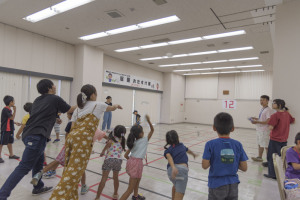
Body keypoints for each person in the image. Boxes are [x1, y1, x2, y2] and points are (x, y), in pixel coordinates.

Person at [0, 79, 76, 199]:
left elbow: (39, 114)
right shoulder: (54, 98)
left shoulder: (38, 100)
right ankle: (2, 195)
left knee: (39, 162)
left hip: (29, 135)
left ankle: (38, 187)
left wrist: (55, 119)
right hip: (37, 136)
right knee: (24, 167)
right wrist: (86, 104)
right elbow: (70, 109)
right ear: (50, 88)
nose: (55, 86)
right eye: (54, 84)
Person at [50, 84, 122, 200]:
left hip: (71, 139)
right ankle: (57, 197)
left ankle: (71, 196)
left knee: (69, 169)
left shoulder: (78, 109)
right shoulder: (98, 105)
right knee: (74, 173)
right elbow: (112, 108)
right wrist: (117, 105)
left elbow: (72, 126)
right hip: (82, 141)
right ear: (93, 95)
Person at [202, 112, 248, 200]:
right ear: (232, 128)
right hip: (233, 185)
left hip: (216, 184)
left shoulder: (210, 144)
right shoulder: (237, 144)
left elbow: (204, 165)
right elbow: (244, 167)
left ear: (214, 128)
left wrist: (216, 160)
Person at [119, 115, 154, 200]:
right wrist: (149, 121)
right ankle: (132, 195)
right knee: (129, 189)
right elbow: (152, 130)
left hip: (132, 162)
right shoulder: (145, 140)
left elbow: (125, 155)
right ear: (140, 133)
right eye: (142, 131)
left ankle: (135, 196)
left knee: (137, 181)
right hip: (137, 163)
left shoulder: (133, 142)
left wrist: (132, 161)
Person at [264, 99, 295, 179]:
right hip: (284, 139)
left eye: (274, 103)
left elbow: (271, 127)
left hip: (275, 139)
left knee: (271, 157)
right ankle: (281, 173)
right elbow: (292, 121)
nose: (272, 104)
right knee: (281, 157)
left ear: (279, 105)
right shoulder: (287, 114)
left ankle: (272, 174)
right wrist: (288, 111)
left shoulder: (275, 115)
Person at [95, 125, 126, 200]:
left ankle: (97, 197)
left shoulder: (111, 139)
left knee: (104, 178)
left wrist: (102, 152)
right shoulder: (123, 140)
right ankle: (115, 193)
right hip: (118, 160)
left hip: (109, 159)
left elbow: (108, 144)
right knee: (116, 178)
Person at [164, 130, 197, 200]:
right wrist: (194, 154)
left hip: (171, 172)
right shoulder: (181, 145)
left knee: (175, 185)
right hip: (180, 171)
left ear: (167, 141)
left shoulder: (169, 149)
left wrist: (173, 167)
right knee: (179, 194)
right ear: (178, 137)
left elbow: (168, 156)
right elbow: (188, 150)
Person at [250, 95, 273, 167]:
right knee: (260, 143)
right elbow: (262, 119)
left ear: (267, 101)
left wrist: (257, 122)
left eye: (263, 100)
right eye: (260, 100)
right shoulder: (262, 108)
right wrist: (256, 118)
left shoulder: (268, 110)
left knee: (266, 145)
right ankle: (259, 157)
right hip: (259, 129)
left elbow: (268, 121)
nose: (261, 101)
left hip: (264, 130)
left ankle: (269, 161)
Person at [0, 95, 21, 163]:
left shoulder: (9, 110)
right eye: (13, 101)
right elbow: (11, 118)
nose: (14, 102)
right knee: (1, 143)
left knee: (9, 142)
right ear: (10, 102)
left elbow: (9, 120)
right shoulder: (6, 109)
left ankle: (11, 155)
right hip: (5, 129)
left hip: (10, 129)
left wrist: (15, 123)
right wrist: (15, 111)